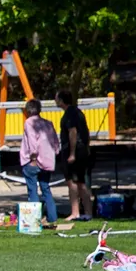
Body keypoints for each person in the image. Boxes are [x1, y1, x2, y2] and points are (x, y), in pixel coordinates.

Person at [19, 98, 60, 227]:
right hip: (47, 162)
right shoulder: (48, 123)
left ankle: (33, 220)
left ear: (27, 110)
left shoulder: (29, 123)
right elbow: (55, 144)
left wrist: (33, 158)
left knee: (32, 190)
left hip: (33, 161)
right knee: (46, 189)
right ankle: (52, 218)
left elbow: (32, 141)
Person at [56, 89, 94, 226]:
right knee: (81, 182)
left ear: (61, 100)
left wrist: (72, 153)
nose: (55, 100)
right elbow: (86, 131)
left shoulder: (69, 114)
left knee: (72, 182)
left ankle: (75, 212)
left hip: (74, 151)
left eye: (57, 98)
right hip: (82, 149)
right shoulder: (78, 112)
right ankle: (88, 212)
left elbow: (73, 132)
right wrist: (87, 147)